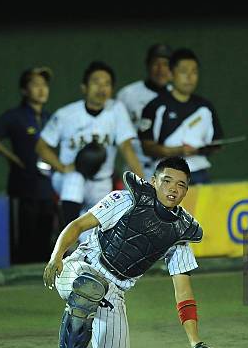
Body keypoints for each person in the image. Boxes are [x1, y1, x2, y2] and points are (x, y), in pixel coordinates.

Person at [43, 157, 224, 348]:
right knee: (90, 286)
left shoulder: (180, 232)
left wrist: (195, 342)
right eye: (167, 181)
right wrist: (56, 257)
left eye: (181, 185)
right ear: (153, 181)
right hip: (80, 268)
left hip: (114, 291)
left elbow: (184, 291)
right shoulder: (126, 199)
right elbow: (77, 225)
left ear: (186, 191)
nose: (173, 189)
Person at [35, 61, 143, 230]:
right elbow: (41, 147)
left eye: (107, 84)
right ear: (84, 87)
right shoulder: (66, 114)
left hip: (101, 183)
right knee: (75, 178)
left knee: (92, 240)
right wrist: (62, 168)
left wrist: (143, 184)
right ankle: (66, 239)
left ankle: (73, 239)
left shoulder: (116, 109)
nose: (102, 88)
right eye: (96, 82)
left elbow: (127, 148)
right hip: (67, 178)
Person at [0, 67, 56, 263]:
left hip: (48, 187)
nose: (42, 89)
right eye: (35, 84)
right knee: (25, 237)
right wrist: (10, 157)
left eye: (44, 85)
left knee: (46, 236)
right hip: (24, 187)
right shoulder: (15, 116)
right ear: (24, 90)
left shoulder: (50, 117)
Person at [139, 48, 223, 183]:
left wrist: (203, 149)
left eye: (194, 72)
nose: (189, 77)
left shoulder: (205, 106)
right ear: (171, 74)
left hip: (199, 172)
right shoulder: (155, 106)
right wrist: (176, 151)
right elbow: (147, 146)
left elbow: (217, 142)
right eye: (184, 71)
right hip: (166, 173)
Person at [117, 43, 173, 179]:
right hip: (136, 167)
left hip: (169, 170)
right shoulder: (127, 94)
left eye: (165, 64)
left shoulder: (177, 96)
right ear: (148, 65)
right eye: (156, 64)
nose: (160, 69)